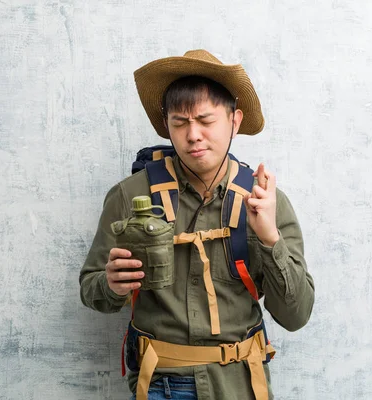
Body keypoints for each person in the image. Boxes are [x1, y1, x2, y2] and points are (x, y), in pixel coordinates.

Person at [79, 49, 315, 400]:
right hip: (162, 384)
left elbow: (296, 315)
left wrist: (268, 236)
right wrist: (112, 284)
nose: (193, 135)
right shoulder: (130, 195)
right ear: (167, 126)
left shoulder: (264, 200)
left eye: (205, 121)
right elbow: (91, 289)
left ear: (234, 121)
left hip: (242, 384)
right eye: (180, 123)